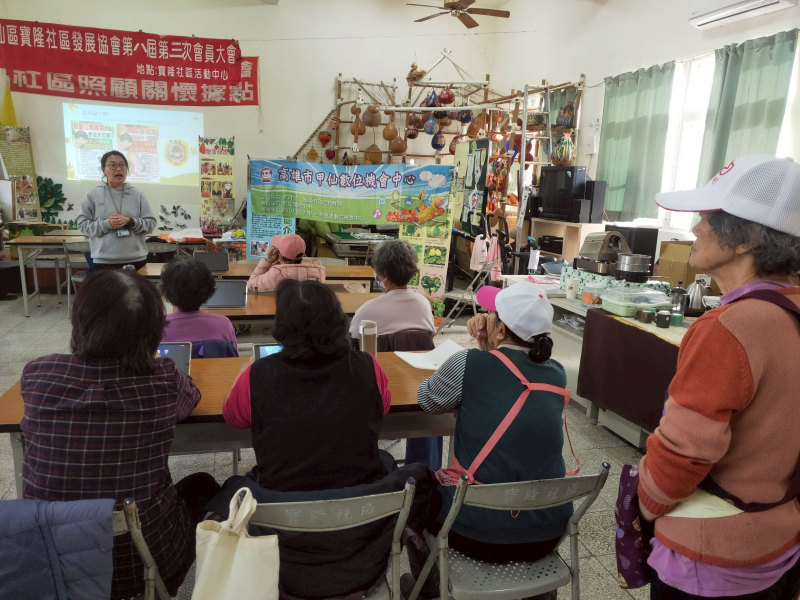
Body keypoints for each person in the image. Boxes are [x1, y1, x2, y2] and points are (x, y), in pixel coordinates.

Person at [640, 155, 800, 600]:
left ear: (746, 236)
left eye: (708, 216)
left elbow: (683, 453)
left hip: (710, 559)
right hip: (779, 545)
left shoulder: (729, 327)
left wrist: (647, 505)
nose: (694, 228)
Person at [20, 269, 221, 599]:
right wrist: (153, 360)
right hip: (146, 564)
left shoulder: (38, 374)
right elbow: (191, 399)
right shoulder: (163, 380)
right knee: (204, 486)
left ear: (80, 320)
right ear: (155, 329)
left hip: (52, 563)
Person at [402, 282, 572, 600]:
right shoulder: (558, 374)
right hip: (547, 533)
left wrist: (479, 349)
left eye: (493, 315)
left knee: (418, 482)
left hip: (476, 534)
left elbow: (427, 399)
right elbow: (508, 386)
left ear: (502, 329)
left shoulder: (468, 363)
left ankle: (428, 588)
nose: (487, 317)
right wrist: (487, 346)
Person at [223, 279, 392, 491]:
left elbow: (233, 418)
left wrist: (241, 373)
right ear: (338, 319)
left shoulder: (257, 374)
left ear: (282, 325)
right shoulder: (369, 366)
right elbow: (382, 407)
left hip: (284, 505)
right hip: (359, 503)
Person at [77, 150, 156, 273]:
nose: (118, 169)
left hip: (135, 259)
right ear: (104, 169)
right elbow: (82, 225)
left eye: (122, 165)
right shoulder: (92, 195)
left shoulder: (137, 194)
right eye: (112, 165)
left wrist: (131, 222)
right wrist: (106, 224)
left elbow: (151, 224)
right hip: (103, 261)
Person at [348, 239, 435, 339]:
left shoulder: (365, 312)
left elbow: (353, 342)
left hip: (378, 355)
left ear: (380, 273)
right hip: (417, 354)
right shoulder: (424, 305)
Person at [160, 257, 238, 351]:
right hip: (213, 366)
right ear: (209, 290)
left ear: (165, 291)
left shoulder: (158, 327)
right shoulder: (224, 324)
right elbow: (233, 357)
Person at [246, 233, 325, 292]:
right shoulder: (318, 271)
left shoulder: (276, 273)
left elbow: (251, 284)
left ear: (281, 256)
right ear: (303, 254)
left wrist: (268, 261)